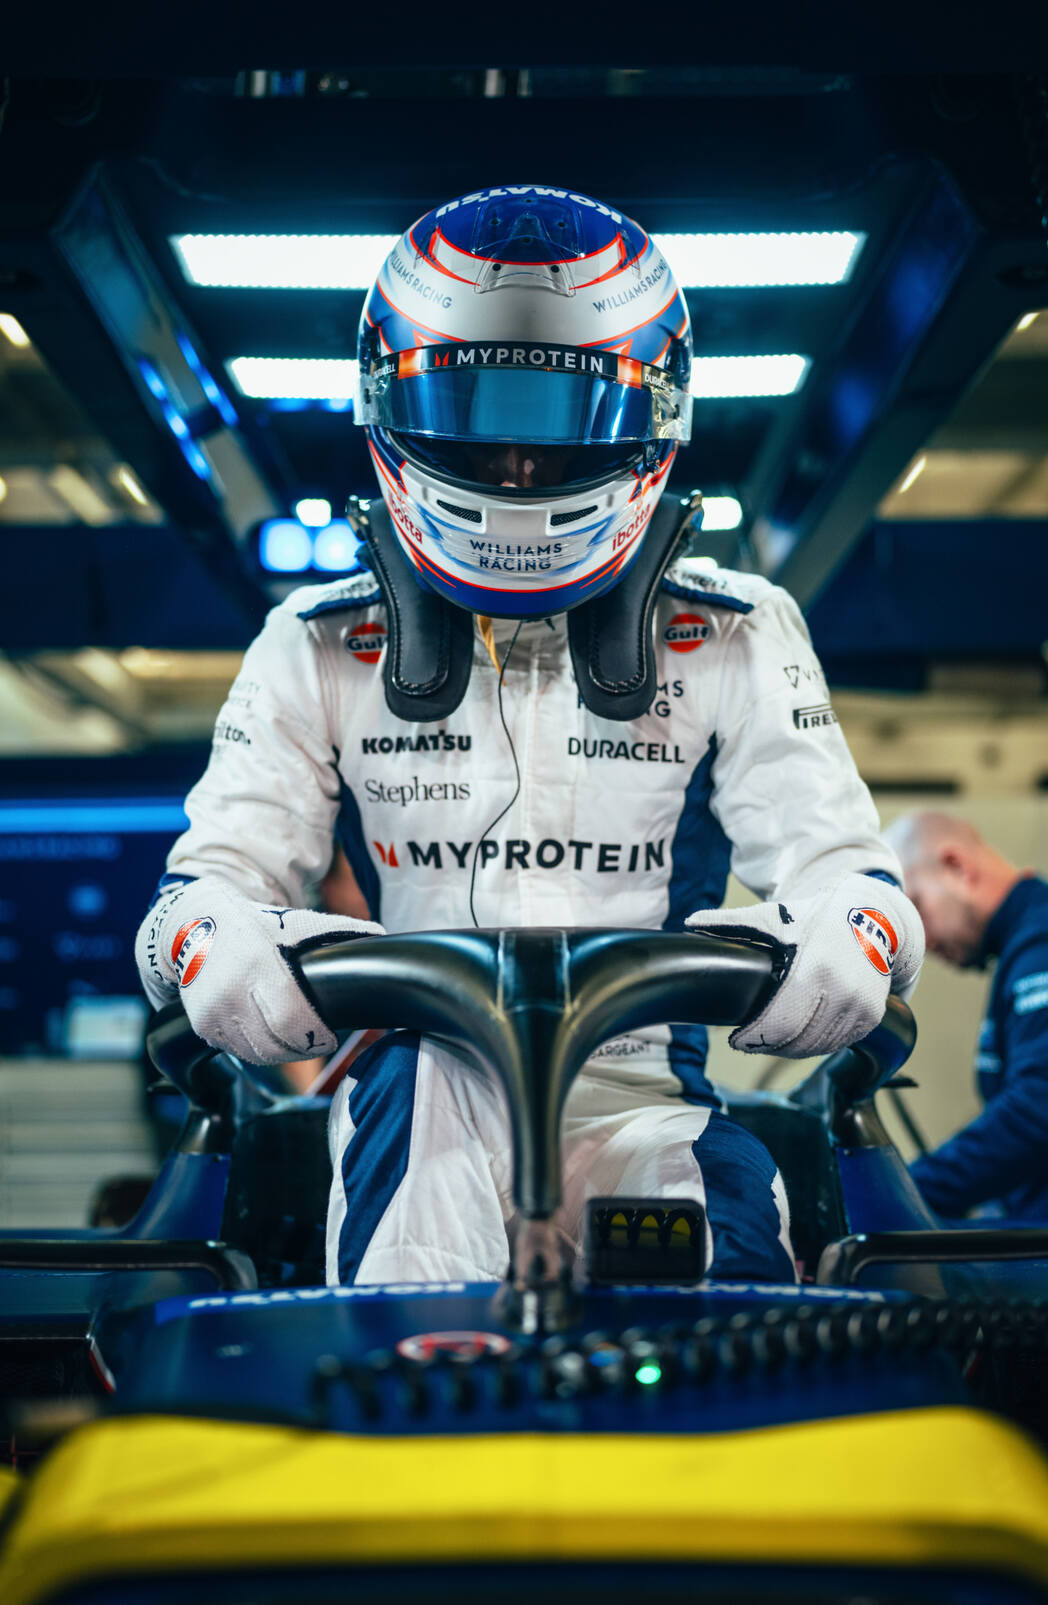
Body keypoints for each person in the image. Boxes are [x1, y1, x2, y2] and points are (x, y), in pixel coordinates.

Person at [135, 184, 922, 1289]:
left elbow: (851, 874)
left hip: (650, 1091)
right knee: (415, 1316)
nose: (513, 465)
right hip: (420, 1094)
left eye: (555, 431)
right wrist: (211, 938)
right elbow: (199, 888)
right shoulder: (313, 639)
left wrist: (858, 929)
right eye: (473, 418)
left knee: (734, 1332)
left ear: (652, 416)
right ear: (386, 405)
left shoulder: (736, 629)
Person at [885, 810, 1048, 1222]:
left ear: (955, 866)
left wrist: (903, 1193)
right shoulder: (1021, 949)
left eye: (915, 907)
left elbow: (1038, 1106)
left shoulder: (1041, 941)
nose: (917, 944)